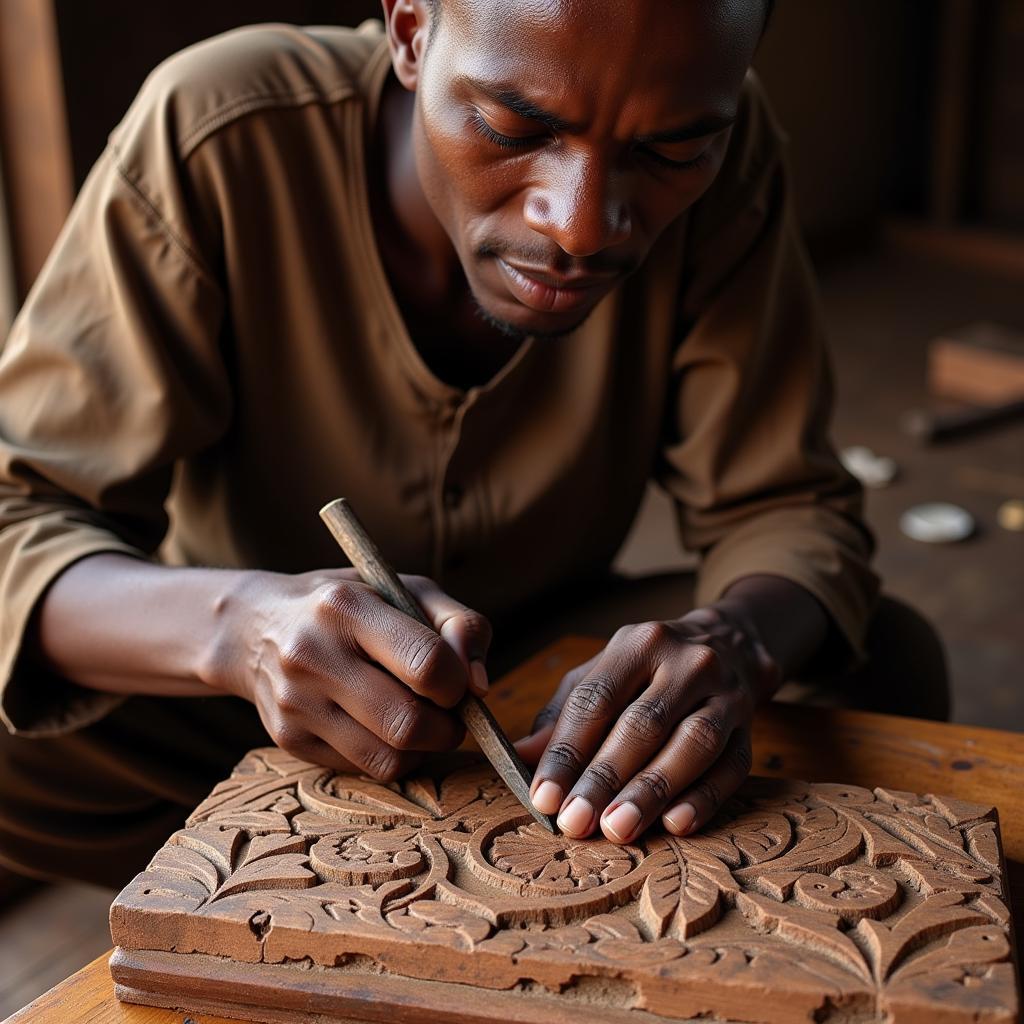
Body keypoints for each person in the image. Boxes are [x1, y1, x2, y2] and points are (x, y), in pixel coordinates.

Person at [0, 0, 943, 889]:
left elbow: (786, 506)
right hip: (237, 701)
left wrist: (730, 646)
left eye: (670, 150)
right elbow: (16, 522)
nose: (580, 224)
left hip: (543, 701)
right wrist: (241, 630)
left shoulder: (728, 157)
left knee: (876, 664)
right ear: (411, 30)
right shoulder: (221, 130)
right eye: (517, 129)